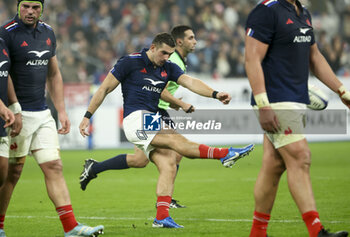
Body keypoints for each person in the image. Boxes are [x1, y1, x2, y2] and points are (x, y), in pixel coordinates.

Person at [79, 32, 254, 228]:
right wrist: (87, 116)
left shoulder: (167, 67)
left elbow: (190, 82)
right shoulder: (130, 62)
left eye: (170, 54)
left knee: (169, 163)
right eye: (163, 53)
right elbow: (103, 89)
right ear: (152, 47)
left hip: (150, 119)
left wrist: (215, 94)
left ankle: (161, 217)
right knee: (177, 141)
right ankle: (224, 154)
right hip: (135, 119)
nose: (166, 58)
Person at [245, 0, 349, 237]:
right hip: (274, 100)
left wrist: (342, 91)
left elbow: (315, 57)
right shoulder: (266, 11)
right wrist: (263, 104)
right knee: (301, 156)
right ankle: (316, 231)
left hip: (295, 99)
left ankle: (257, 232)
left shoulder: (303, 12)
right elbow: (252, 59)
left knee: (273, 165)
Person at [0, 1, 104, 236]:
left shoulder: (48, 32)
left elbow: (54, 73)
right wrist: (14, 108)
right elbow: (2, 73)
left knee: (54, 166)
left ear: (42, 9)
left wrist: (62, 110)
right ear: (18, 7)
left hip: (42, 113)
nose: (30, 11)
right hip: (15, 114)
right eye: (25, 6)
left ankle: (71, 228)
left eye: (35, 7)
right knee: (12, 173)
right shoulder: (6, 34)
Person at [79, 25, 202, 209]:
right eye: (191, 38)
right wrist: (180, 103)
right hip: (154, 111)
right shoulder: (171, 58)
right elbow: (160, 90)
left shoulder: (176, 59)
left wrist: (177, 103)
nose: (195, 41)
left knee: (140, 160)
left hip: (154, 111)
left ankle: (94, 168)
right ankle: (167, 200)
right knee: (177, 150)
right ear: (179, 42)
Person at [0, 37, 16, 190]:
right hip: (2, 111)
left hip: (1, 120)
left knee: (2, 172)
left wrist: (14, 106)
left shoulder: (2, 42)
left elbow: (6, 74)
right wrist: (2, 107)